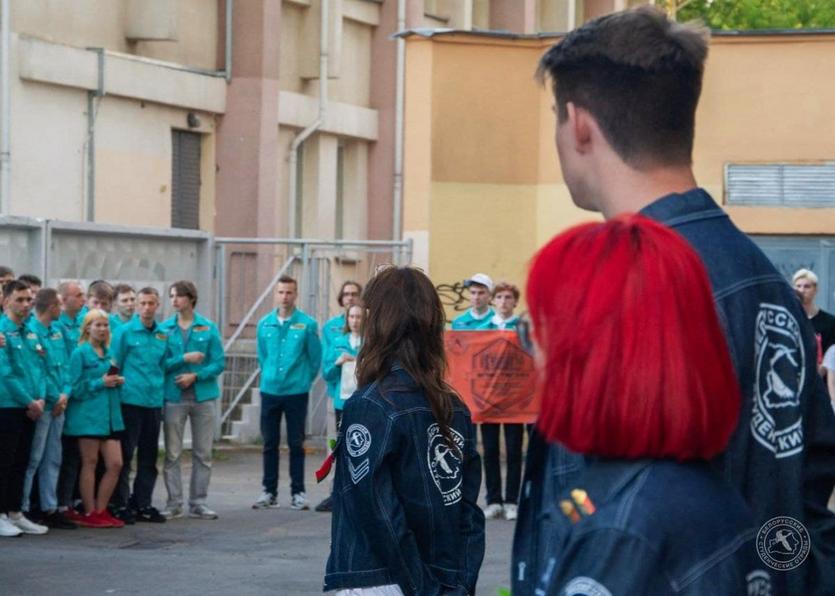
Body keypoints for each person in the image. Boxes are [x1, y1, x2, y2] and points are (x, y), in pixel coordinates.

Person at [514, 7, 835, 594]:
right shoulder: (766, 281)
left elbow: (590, 508)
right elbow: (803, 487)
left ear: (580, 125)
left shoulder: (627, 292)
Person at [525, 215, 776, 593]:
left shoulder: (622, 530)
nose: (534, 351)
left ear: (590, 352)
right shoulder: (685, 492)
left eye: (539, 329)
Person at [323, 266, 485, 595]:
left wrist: (429, 588)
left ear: (379, 321)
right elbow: (469, 514)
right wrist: (458, 584)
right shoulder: (454, 406)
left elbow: (377, 513)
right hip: (439, 579)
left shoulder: (372, 405)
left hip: (379, 578)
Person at [253, 275, 322, 511]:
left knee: (296, 443)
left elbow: (315, 358)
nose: (285, 297)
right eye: (281, 292)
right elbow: (262, 356)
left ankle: (298, 492)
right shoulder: (264, 324)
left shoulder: (307, 324)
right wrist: (270, 375)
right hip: (270, 390)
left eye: (289, 292)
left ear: (296, 294)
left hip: (296, 391)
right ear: (276, 294)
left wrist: (303, 380)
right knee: (269, 442)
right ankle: (269, 491)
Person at [160, 280, 225, 520]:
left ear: (190, 298)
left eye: (178, 296)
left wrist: (196, 376)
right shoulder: (165, 329)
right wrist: (183, 358)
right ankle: (173, 502)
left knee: (203, 452)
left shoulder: (207, 328)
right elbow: (160, 364)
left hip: (203, 396)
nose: (174, 301)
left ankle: (198, 501)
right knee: (173, 453)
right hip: (174, 396)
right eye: (172, 296)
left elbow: (219, 362)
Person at [109, 287, 168, 524]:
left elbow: (163, 363)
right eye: (142, 303)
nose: (146, 308)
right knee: (125, 454)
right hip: (130, 400)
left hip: (153, 401)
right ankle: (120, 502)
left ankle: (143, 501)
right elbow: (115, 364)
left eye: (150, 303)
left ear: (157, 305)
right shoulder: (124, 332)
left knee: (149, 456)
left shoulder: (163, 334)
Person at [64, 309, 125, 529]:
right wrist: (100, 383)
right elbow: (74, 387)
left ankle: (101, 508)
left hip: (109, 417)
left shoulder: (109, 353)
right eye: (97, 325)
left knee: (115, 464)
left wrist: (116, 381)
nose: (102, 329)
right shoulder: (79, 353)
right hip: (87, 416)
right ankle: (90, 511)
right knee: (89, 463)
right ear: (87, 328)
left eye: (105, 325)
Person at [21, 289, 76, 529]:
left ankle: (49, 506)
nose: (61, 310)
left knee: (53, 457)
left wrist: (65, 394)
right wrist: (56, 397)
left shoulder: (57, 333)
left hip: (58, 404)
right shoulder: (32, 332)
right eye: (58, 305)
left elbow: (65, 368)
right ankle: (23, 506)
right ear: (51, 306)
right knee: (33, 458)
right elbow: (39, 370)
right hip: (45, 404)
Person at [0, 280, 49, 537]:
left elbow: (40, 367)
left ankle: (15, 512)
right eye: (19, 299)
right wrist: (28, 400)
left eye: (28, 299)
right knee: (4, 461)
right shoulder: (2, 330)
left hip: (31, 406)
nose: (25, 304)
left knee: (22, 460)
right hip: (8, 405)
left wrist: (40, 398)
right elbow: (5, 373)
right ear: (6, 301)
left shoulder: (31, 331)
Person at [476, 282, 524, 522]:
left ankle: (512, 500)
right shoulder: (482, 329)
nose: (504, 302)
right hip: (489, 399)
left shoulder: (522, 328)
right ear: (493, 301)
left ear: (515, 302)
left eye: (508, 298)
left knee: (514, 451)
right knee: (491, 450)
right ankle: (494, 500)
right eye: (500, 297)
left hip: (516, 399)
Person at [315, 282, 362, 513]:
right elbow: (326, 370)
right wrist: (338, 362)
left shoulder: (370, 339)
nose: (350, 299)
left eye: (355, 295)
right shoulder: (334, 334)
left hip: (363, 401)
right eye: (346, 295)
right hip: (340, 398)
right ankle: (336, 493)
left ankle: (359, 494)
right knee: (337, 446)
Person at [54, 280, 87, 520]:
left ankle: (72, 499)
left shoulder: (82, 323)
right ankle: (58, 502)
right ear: (64, 300)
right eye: (78, 295)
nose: (83, 299)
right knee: (60, 453)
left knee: (75, 451)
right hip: (63, 394)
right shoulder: (58, 326)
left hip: (78, 395)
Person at [793, 268, 835, 369]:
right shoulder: (788, 319)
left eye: (807, 286)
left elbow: (830, 358)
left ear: (816, 290)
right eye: (798, 286)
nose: (802, 290)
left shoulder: (829, 322)